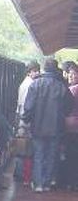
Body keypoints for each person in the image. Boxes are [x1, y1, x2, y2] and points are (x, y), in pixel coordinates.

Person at [22, 58, 74, 192]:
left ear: (44, 68)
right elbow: (69, 105)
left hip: (38, 126)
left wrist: (26, 120)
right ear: (56, 69)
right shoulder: (61, 86)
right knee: (52, 155)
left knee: (39, 154)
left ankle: (38, 183)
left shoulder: (35, 84)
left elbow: (29, 106)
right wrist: (62, 115)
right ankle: (46, 182)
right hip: (56, 127)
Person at [61, 66, 78, 190]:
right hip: (72, 125)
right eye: (71, 74)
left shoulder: (71, 90)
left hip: (70, 125)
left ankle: (69, 181)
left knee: (70, 154)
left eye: (74, 74)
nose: (72, 76)